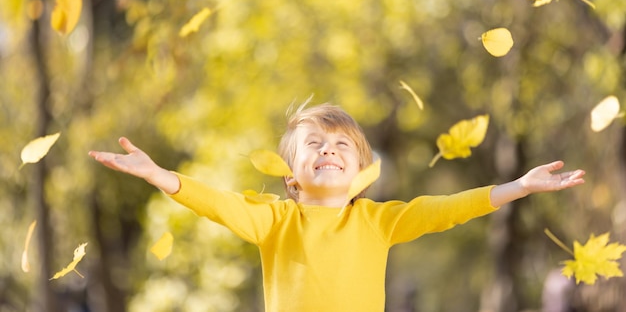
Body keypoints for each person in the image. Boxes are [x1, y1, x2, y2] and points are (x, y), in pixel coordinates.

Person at [89, 103, 585, 312]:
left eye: (342, 146)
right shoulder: (274, 220)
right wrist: (161, 177)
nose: (328, 150)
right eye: (314, 144)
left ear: (362, 174)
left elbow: (446, 209)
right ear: (290, 177)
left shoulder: (377, 221)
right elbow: (216, 203)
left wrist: (518, 186)